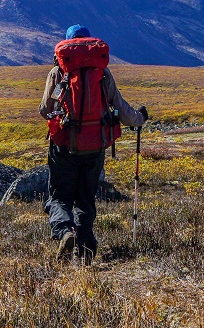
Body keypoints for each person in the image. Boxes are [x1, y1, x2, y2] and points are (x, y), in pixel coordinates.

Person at [39, 24, 148, 263]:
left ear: (66, 46)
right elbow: (121, 107)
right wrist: (139, 118)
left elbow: (44, 110)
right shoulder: (103, 72)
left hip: (64, 145)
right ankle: (86, 250)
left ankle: (65, 231)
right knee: (86, 198)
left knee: (59, 197)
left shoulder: (58, 72)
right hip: (95, 146)